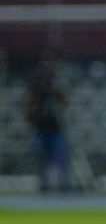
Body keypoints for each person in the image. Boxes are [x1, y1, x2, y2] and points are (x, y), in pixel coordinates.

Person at [25, 57, 71, 192]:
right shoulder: (36, 92)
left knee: (61, 157)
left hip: (56, 129)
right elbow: (30, 108)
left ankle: (63, 183)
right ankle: (43, 183)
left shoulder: (56, 90)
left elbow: (66, 103)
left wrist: (54, 93)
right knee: (41, 159)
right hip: (41, 129)